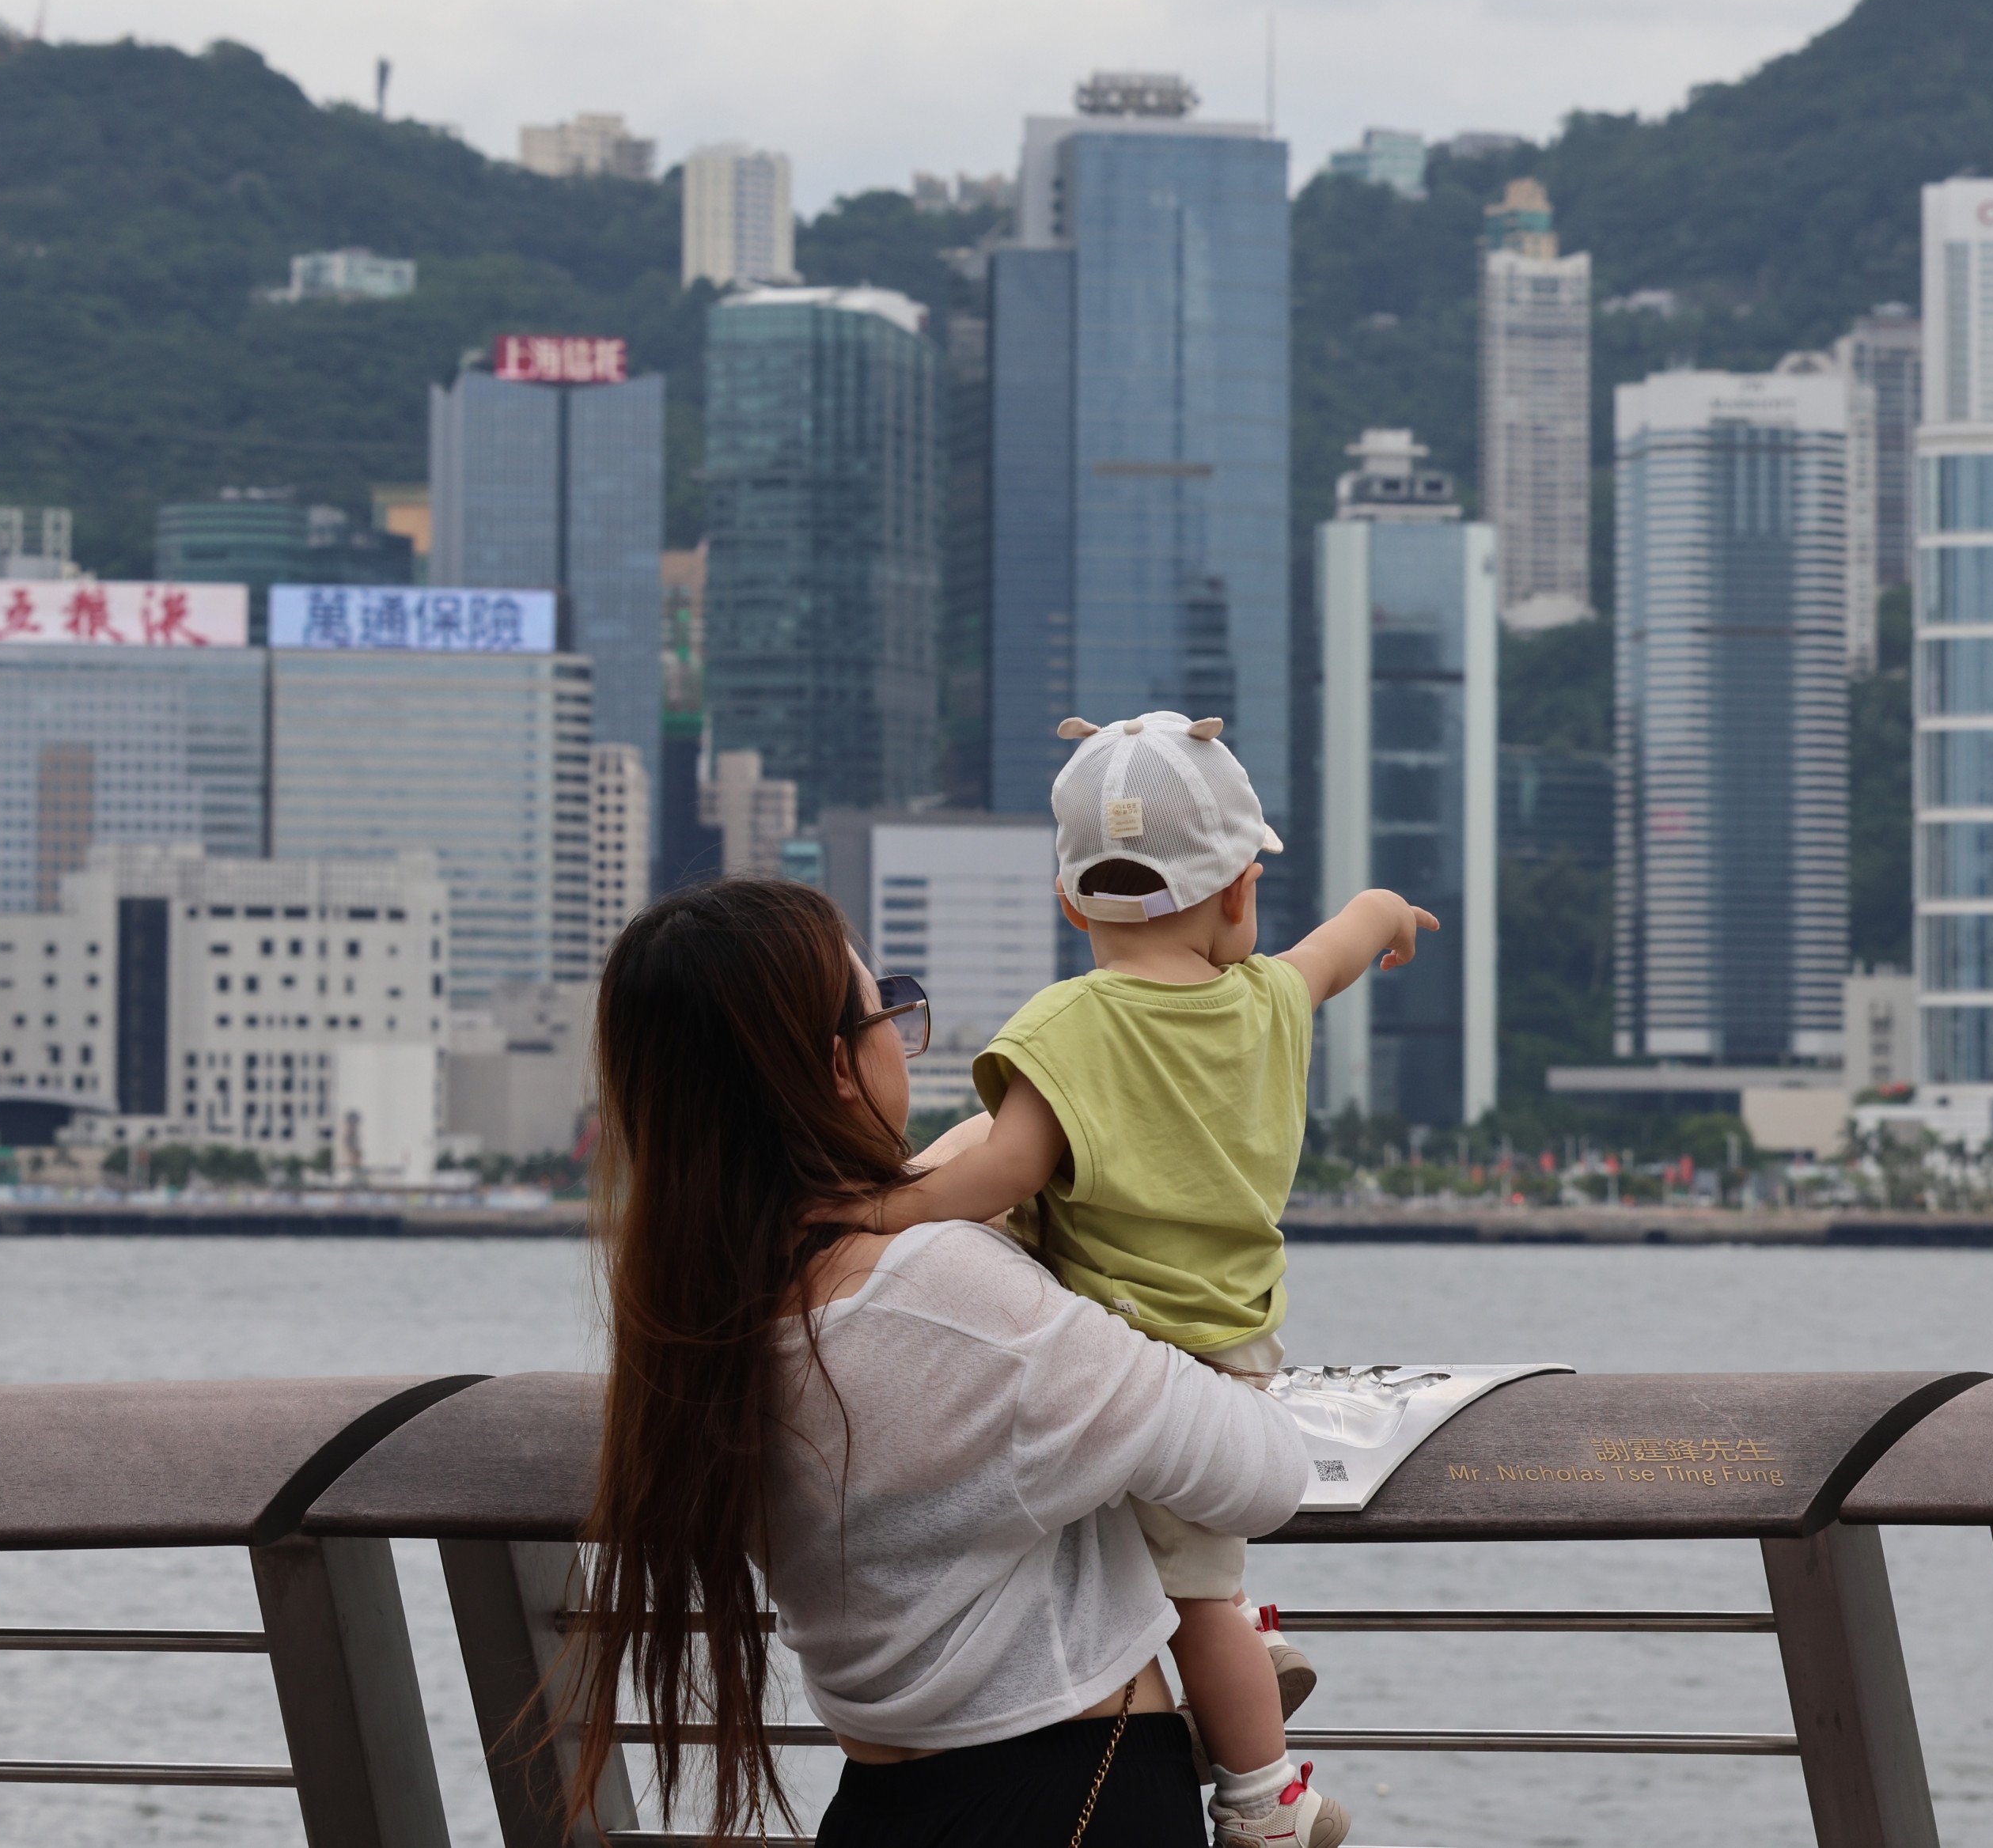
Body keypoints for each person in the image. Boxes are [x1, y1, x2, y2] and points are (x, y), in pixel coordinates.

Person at [564, 877, 1310, 1848]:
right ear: (840, 1062)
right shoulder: (954, 1301)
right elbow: (1262, 1474)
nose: (901, 1039)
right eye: (890, 1012)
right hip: (1079, 1794)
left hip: (879, 1806)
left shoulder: (694, 1314)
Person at [866, 710, 1439, 1848]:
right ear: (1240, 891)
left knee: (1195, 1605)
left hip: (1120, 1366)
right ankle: (1253, 1642)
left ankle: (1266, 1800)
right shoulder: (1271, 1001)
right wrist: (1386, 916)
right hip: (1237, 1357)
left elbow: (1010, 1170)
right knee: (1198, 1572)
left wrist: (876, 1207)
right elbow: (1339, 942)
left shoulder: (1068, 1023)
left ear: (1072, 902)